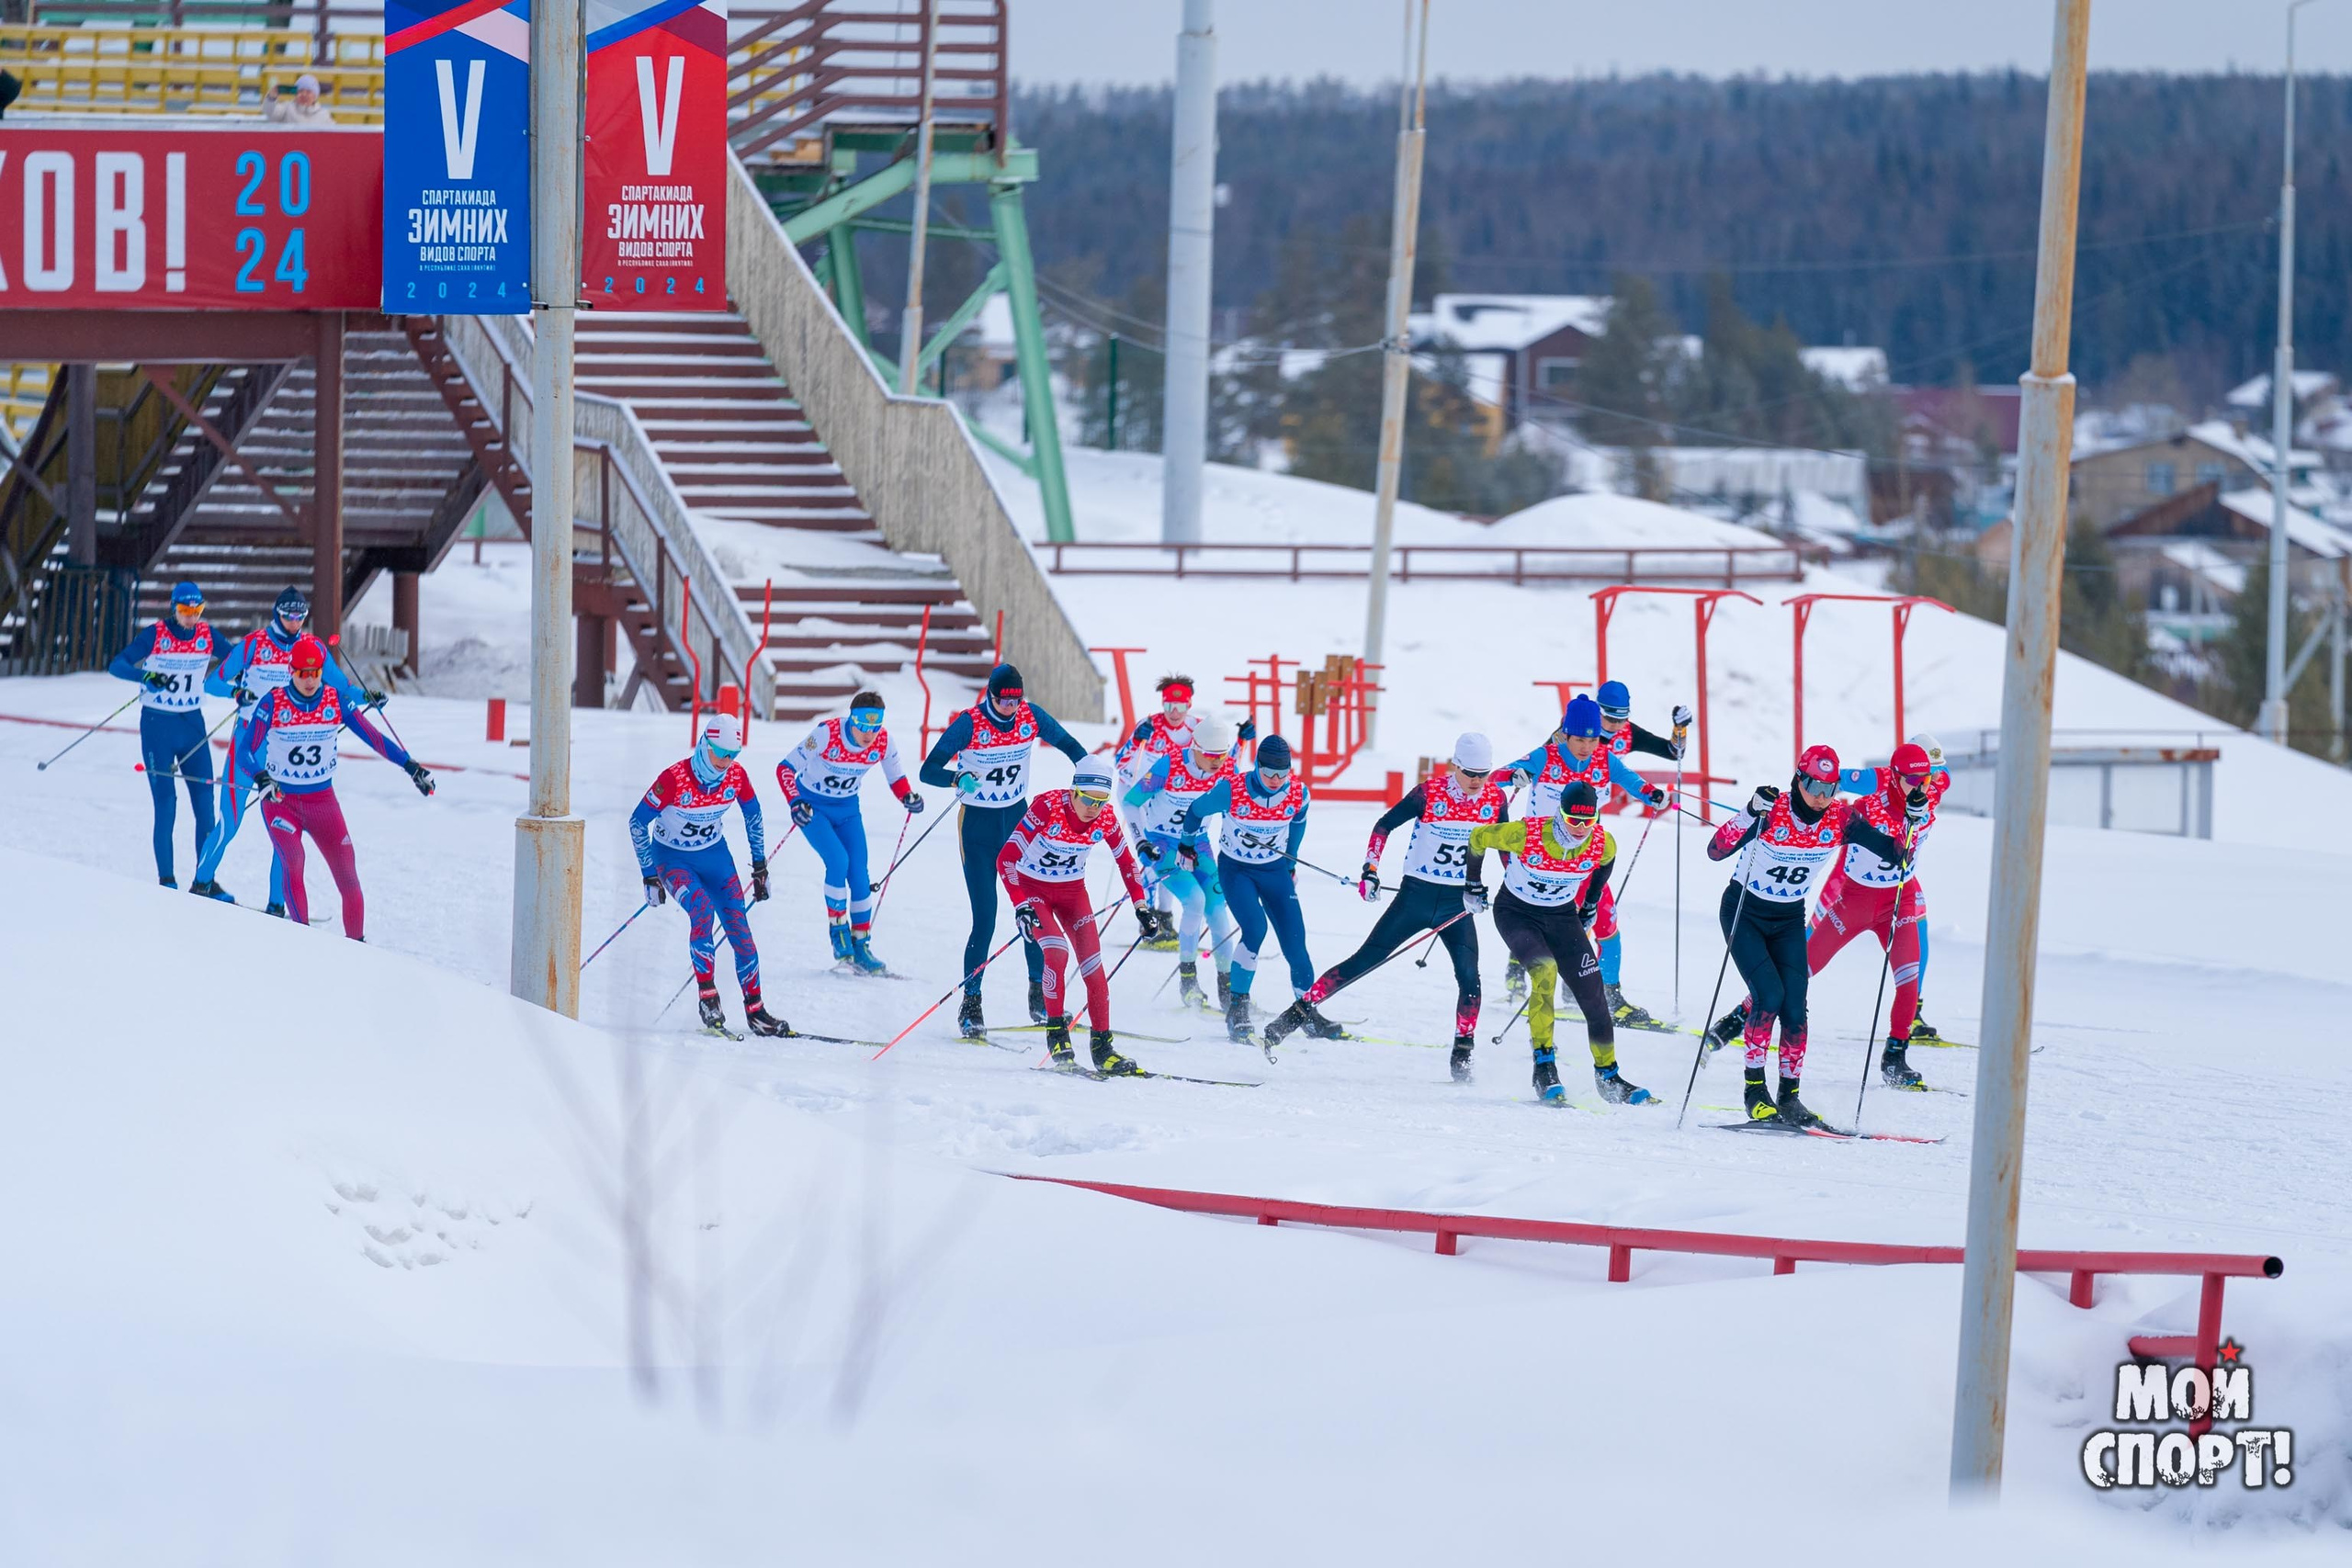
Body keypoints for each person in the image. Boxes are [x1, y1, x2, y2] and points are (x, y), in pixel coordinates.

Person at [1262, 732, 1507, 1084]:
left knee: (1470, 978)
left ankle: (1462, 1054)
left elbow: (1506, 847)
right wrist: (1370, 870)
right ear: (1456, 765)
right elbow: (1384, 826)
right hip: (1416, 897)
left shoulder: (1495, 799)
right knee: (1364, 961)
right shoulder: (1430, 793)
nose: (1476, 781)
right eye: (1470, 773)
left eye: (1483, 774)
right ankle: (1292, 1017)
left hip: (1457, 904)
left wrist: (1499, 887)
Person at [1702, 743, 1917, 1129]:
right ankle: (1755, 1093)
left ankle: (1789, 1098)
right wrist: (1749, 811)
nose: (1820, 797)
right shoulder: (1772, 811)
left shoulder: (1841, 819)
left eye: (1829, 788)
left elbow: (1894, 853)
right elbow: (1715, 851)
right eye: (1814, 786)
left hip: (1787, 919)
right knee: (1769, 995)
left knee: (1795, 1008)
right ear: (1798, 780)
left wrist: (1910, 821)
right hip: (1744, 913)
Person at [921, 662, 1090, 1036]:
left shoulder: (1031, 715)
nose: (1010, 709)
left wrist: (1088, 768)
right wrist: (956, 778)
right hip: (978, 828)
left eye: (1016, 701)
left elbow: (1069, 744)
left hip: (1018, 823)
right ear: (990, 696)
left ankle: (1039, 995)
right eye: (1003, 702)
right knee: (986, 918)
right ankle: (971, 1004)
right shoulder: (970, 723)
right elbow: (927, 771)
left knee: (1034, 911)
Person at [241, 635, 435, 939]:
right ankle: (302, 940)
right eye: (303, 673)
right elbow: (245, 751)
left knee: (348, 876)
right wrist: (261, 777)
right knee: (293, 860)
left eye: (315, 672)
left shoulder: (335, 700)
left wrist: (411, 767)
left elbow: (374, 738)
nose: (310, 680)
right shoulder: (274, 702)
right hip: (281, 802)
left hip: (322, 802)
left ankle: (357, 945)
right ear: (291, 671)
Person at [1469, 781, 1647, 1106]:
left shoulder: (1601, 842)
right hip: (1516, 913)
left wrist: (1590, 903)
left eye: (1587, 820)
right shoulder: (1526, 834)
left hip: (1562, 917)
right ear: (1559, 814)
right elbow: (1479, 838)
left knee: (1594, 990)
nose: (1580, 828)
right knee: (1545, 971)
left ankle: (1609, 1076)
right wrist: (1472, 885)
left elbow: (1607, 863)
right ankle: (1544, 1068)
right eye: (1572, 819)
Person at [1499, 694, 1671, 1030]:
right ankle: (1520, 971)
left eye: (1593, 740)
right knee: (1543, 925)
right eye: (1580, 739)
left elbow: (1634, 782)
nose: (1587, 747)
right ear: (1565, 734)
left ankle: (1611, 997)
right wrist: (1514, 775)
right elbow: (1496, 777)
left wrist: (1653, 795)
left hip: (1584, 859)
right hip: (1541, 861)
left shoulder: (1605, 760)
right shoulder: (1545, 756)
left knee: (1606, 922)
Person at [194, 586, 368, 910]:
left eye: (300, 616)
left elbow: (341, 687)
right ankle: (200, 884)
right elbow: (212, 683)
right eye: (289, 616)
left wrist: (367, 696)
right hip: (249, 743)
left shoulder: (312, 648)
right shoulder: (254, 644)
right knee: (230, 823)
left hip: (286, 750)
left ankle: (277, 905)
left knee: (284, 832)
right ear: (278, 614)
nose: (295, 622)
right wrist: (237, 693)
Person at [1178, 734, 1340, 1045]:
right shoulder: (1232, 789)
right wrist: (1186, 845)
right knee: (1255, 928)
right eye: (1268, 773)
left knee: (1296, 941)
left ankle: (1307, 1012)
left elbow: (1298, 823)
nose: (1276, 780)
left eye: (1282, 773)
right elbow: (1196, 810)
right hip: (1237, 870)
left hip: (1274, 871)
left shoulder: (1298, 793)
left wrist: (1290, 861)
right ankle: (1237, 1008)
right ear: (1257, 767)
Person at [630, 713, 786, 1037]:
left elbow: (754, 816)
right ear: (705, 745)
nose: (726, 762)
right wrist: (649, 875)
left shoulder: (736, 776)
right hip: (672, 858)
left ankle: (756, 1011)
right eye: (721, 753)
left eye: (733, 755)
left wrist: (760, 866)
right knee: (702, 910)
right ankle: (708, 998)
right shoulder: (674, 778)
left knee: (739, 928)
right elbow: (637, 822)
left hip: (715, 857)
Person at [997, 754, 1151, 1075]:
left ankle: (1103, 1048)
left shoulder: (1105, 818)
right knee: (1056, 952)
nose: (1094, 808)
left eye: (1101, 801)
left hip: (1072, 894)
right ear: (1073, 792)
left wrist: (1141, 906)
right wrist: (1020, 904)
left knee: (1094, 969)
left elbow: (1126, 863)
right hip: (1034, 890)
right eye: (1088, 799)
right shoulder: (1047, 807)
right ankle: (1057, 1034)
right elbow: (1007, 858)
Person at [775, 689, 922, 975]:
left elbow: (897, 778)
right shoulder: (827, 734)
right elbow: (785, 768)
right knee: (838, 861)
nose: (869, 734)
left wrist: (908, 797)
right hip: (813, 807)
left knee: (859, 875)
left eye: (875, 727)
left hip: (847, 810)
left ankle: (861, 946)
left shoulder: (883, 741)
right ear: (852, 720)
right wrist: (795, 802)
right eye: (863, 726)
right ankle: (838, 932)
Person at [1124, 711, 1240, 1010]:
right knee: (1195, 901)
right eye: (1211, 755)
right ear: (1195, 748)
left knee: (1218, 910)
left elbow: (1237, 810)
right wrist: (1141, 842)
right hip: (1163, 845)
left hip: (1198, 845)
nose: (1217, 762)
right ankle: (1188, 981)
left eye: (1222, 755)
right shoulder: (1170, 764)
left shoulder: (1228, 769)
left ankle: (1229, 989)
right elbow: (1131, 802)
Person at [108, 581, 220, 889]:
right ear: (174, 608)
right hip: (158, 727)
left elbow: (237, 659)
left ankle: (205, 881)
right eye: (185, 610)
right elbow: (116, 665)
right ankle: (167, 881)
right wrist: (145, 675)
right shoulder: (156, 634)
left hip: (192, 726)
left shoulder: (208, 635)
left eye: (197, 610)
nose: (191, 616)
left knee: (205, 805)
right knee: (167, 804)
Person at [1113, 672, 1200, 949]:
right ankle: (1148, 918)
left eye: (1180, 706)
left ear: (1189, 705)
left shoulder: (1197, 729)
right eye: (1169, 705)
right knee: (1152, 854)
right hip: (1137, 797)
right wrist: (1135, 741)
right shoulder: (1150, 726)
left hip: (1170, 800)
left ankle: (1165, 915)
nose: (1174, 712)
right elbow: (1120, 763)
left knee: (1170, 855)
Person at [266, 73, 334, 125]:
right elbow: (270, 113)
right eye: (300, 91)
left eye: (308, 92)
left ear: (315, 96)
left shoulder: (323, 115)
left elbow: (334, 133)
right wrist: (271, 98)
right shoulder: (287, 108)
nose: (304, 94)